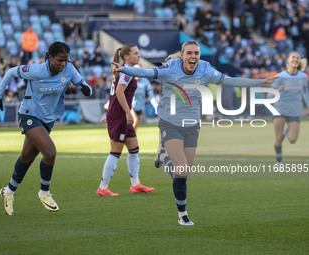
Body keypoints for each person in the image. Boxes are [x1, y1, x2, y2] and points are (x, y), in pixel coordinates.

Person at [112, 40, 277, 225]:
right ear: (182, 55)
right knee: (181, 169)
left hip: (192, 125)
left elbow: (229, 80)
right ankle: (182, 215)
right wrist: (124, 69)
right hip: (170, 123)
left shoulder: (206, 69)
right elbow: (147, 73)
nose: (193, 56)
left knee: (182, 174)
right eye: (189, 53)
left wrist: (260, 82)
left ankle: (164, 156)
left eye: (196, 53)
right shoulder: (170, 68)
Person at [0, 41, 93, 215]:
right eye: (60, 60)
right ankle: (44, 192)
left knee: (26, 158)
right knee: (50, 152)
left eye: (66, 60)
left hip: (48, 119)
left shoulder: (69, 69)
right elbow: (10, 72)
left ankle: (8, 192)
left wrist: (85, 88)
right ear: (50, 58)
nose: (63, 64)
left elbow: (86, 87)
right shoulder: (37, 70)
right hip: (29, 115)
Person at [97, 44, 154, 196]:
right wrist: (127, 113)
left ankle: (135, 184)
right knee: (115, 152)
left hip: (118, 114)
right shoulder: (126, 72)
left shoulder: (123, 70)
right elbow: (119, 92)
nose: (139, 55)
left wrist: (111, 112)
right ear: (127, 57)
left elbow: (114, 94)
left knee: (134, 148)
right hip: (121, 115)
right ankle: (103, 187)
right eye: (136, 53)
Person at [269, 51, 309, 167]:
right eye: (293, 57)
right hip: (280, 110)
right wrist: (278, 90)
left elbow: (306, 93)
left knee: (292, 139)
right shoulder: (280, 76)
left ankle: (287, 131)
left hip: (295, 111)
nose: (295, 59)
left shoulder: (302, 76)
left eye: (297, 57)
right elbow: (269, 95)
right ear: (288, 60)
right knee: (278, 139)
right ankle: (279, 163)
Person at [131, 64, 158, 131]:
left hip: (139, 107)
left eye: (139, 70)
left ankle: (130, 140)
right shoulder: (129, 80)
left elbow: (151, 95)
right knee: (135, 121)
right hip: (129, 106)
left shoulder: (145, 81)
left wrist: (156, 106)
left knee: (135, 127)